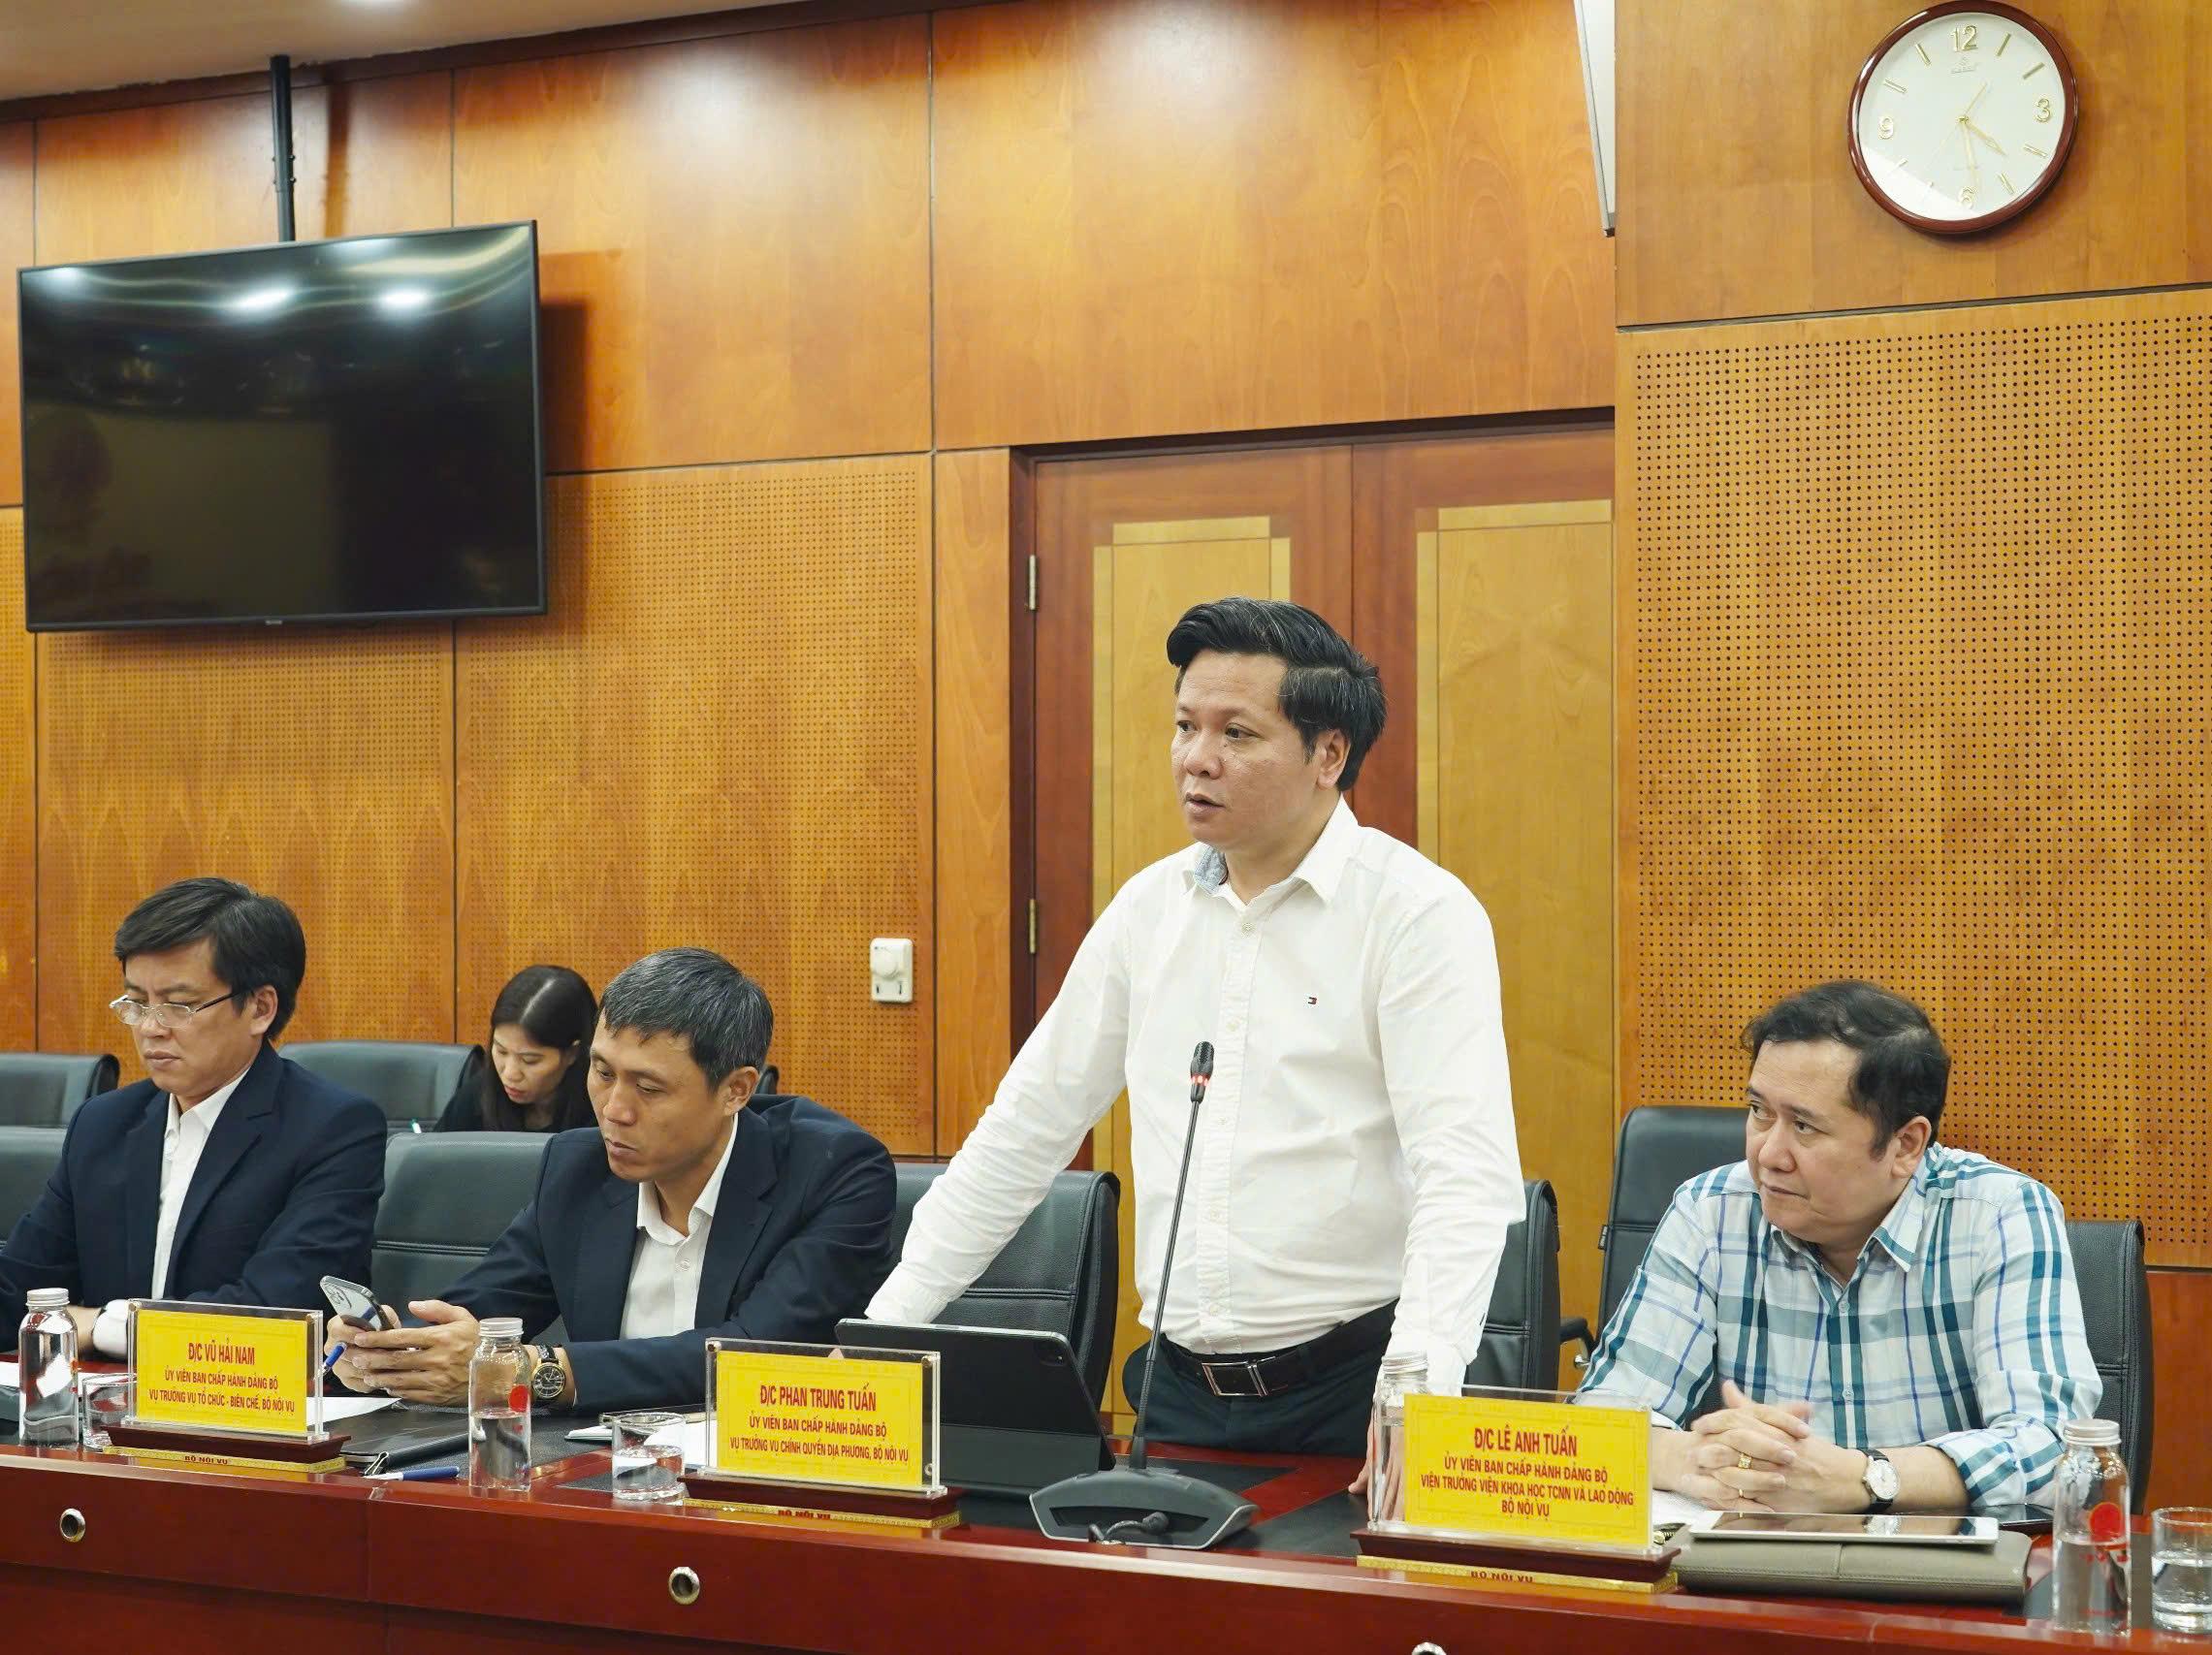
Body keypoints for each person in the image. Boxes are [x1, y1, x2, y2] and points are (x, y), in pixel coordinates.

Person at [867, 596, 1523, 1464]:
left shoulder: (1415, 914)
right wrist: (885, 1332)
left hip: (1352, 1393)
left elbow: (1462, 1175)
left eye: (1235, 734)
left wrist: (1413, 1393)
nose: (1195, 759)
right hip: (1175, 1393)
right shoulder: (1149, 910)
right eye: (1185, 726)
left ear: (1328, 754)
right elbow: (1024, 1132)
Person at [1578, 980, 2100, 1513]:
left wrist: (1864, 1477)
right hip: (1757, 1554)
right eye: (1759, 1111)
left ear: (1905, 1144)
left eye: (1804, 1126)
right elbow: (1599, 1423)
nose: (1768, 1154)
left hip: (1939, 1558)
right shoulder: (1711, 1210)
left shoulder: (1998, 1214)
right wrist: (1698, 1458)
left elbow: (2055, 1448)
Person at [330, 947, 896, 1413]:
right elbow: (480, 1307)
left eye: (648, 1088)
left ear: (736, 1091)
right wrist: (387, 1347)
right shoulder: (578, 1168)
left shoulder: (833, 1172)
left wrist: (535, 1371)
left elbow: (755, 1353)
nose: (614, 1110)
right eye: (602, 1073)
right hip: (597, 1475)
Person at [0, 877, 386, 1353]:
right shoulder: (103, 1124)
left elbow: (275, 1316)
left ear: (260, 1008)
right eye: (137, 1004)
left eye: (177, 1006)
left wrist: (98, 1326)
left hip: (241, 1397)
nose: (150, 1028)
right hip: (106, 1397)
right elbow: (17, 1295)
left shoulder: (332, 1129)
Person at [436, 965, 597, 1133]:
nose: (510, 1074)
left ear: (572, 1053)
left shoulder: (603, 1112)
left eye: (529, 1060)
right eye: (501, 1051)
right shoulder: (477, 1095)